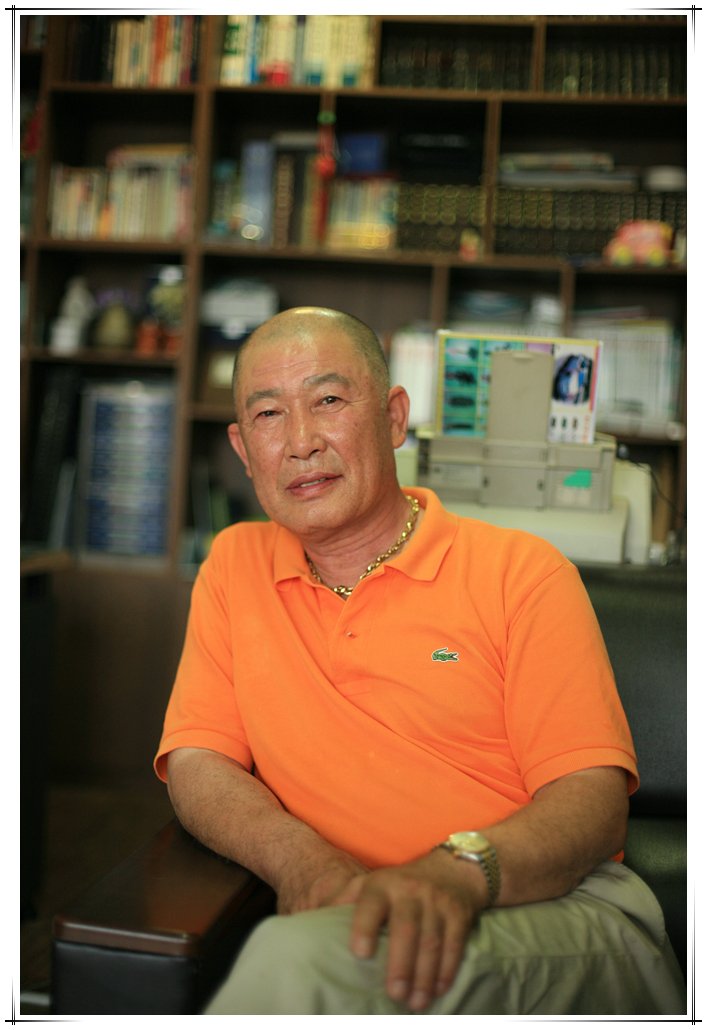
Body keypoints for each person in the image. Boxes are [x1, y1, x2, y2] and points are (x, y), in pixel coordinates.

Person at [154, 306, 685, 1015]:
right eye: (269, 415)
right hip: (349, 913)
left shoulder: (523, 574)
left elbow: (592, 806)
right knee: (315, 954)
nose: (301, 442)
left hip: (552, 905)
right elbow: (199, 761)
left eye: (328, 401)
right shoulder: (233, 566)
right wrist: (301, 861)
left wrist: (455, 874)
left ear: (394, 417)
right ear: (244, 449)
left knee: (298, 962)